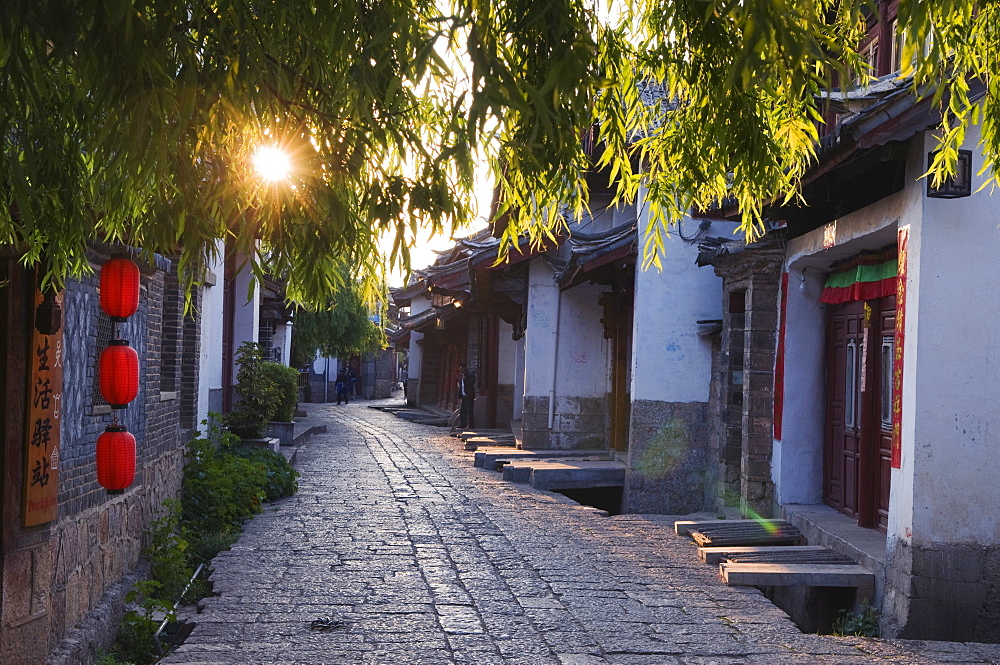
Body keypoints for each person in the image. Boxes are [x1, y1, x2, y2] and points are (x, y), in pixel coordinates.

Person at [457, 362, 476, 430]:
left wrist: (465, 379)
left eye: (461, 369)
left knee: (469, 410)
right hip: (463, 395)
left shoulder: (470, 373)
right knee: (462, 410)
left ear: (464, 368)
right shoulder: (461, 375)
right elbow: (461, 385)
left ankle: (471, 425)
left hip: (469, 395)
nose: (460, 371)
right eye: (459, 369)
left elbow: (472, 382)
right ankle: (462, 424)